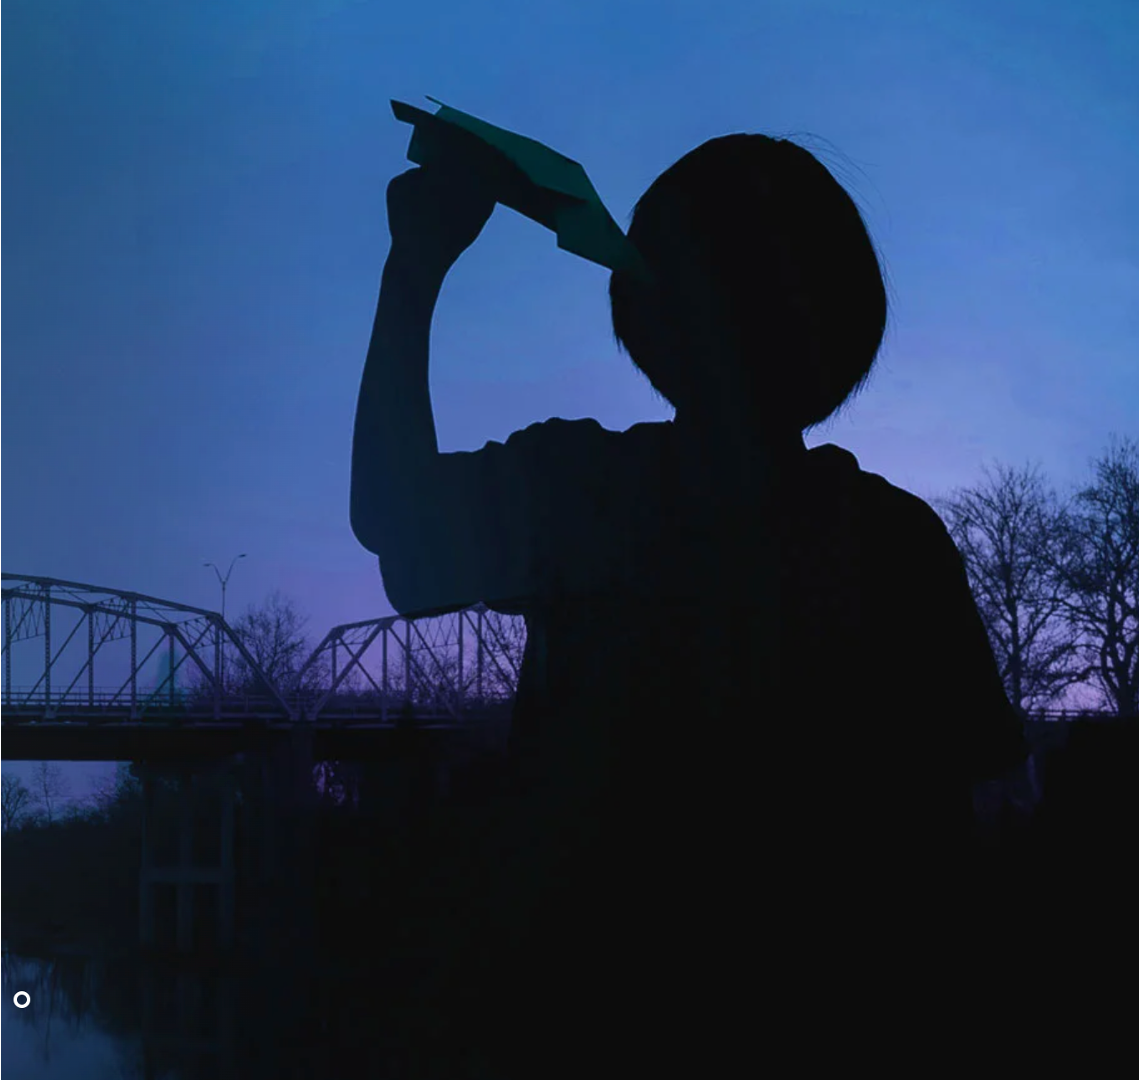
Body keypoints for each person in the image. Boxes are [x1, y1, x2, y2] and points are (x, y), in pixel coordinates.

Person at [350, 134, 1029, 1071]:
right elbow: (969, 841)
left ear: (648, 314)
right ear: (846, 322)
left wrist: (416, 265)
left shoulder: (589, 497)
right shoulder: (897, 542)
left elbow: (394, 523)